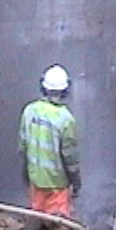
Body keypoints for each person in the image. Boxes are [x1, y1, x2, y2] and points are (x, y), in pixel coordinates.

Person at [18, 64, 81, 218]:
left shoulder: (29, 111)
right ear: (65, 90)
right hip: (57, 185)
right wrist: (76, 182)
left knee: (37, 219)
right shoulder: (65, 119)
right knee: (56, 225)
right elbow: (70, 158)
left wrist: (26, 174)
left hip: (36, 180)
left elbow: (22, 148)